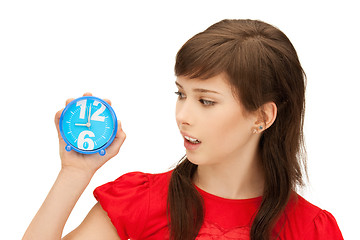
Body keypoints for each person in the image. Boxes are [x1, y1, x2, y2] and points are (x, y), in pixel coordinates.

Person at [23, 19, 343, 240]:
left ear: (262, 116)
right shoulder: (142, 201)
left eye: (206, 101)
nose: (182, 115)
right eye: (181, 94)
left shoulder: (311, 228)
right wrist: (74, 172)